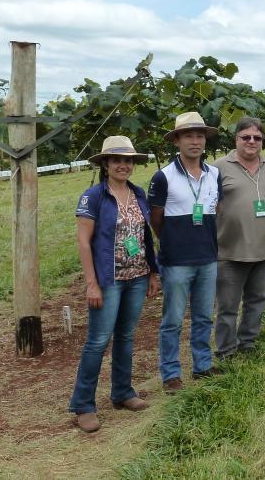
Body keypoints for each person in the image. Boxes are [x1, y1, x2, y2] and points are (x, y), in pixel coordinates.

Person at [69, 135, 160, 433]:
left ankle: (122, 391)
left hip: (136, 276)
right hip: (108, 281)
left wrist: (152, 271)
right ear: (106, 164)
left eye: (128, 160)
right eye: (117, 160)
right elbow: (83, 242)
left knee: (126, 336)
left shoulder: (137, 194)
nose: (123, 165)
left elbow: (145, 237)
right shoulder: (94, 196)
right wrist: (91, 283)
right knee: (97, 340)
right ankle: (83, 404)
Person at [148, 112, 221, 393]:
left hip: (207, 257)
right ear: (177, 140)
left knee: (204, 316)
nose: (195, 141)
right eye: (188, 135)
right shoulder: (163, 177)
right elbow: (156, 218)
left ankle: (202, 365)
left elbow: (216, 210)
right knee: (173, 320)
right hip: (177, 260)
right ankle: (170, 374)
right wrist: (171, 240)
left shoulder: (214, 174)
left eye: (200, 135)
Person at [213, 117, 265, 358]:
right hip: (230, 249)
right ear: (236, 139)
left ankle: (248, 341)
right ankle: (225, 349)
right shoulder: (219, 167)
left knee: (257, 300)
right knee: (227, 306)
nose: (251, 141)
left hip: (264, 249)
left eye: (257, 138)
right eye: (246, 137)